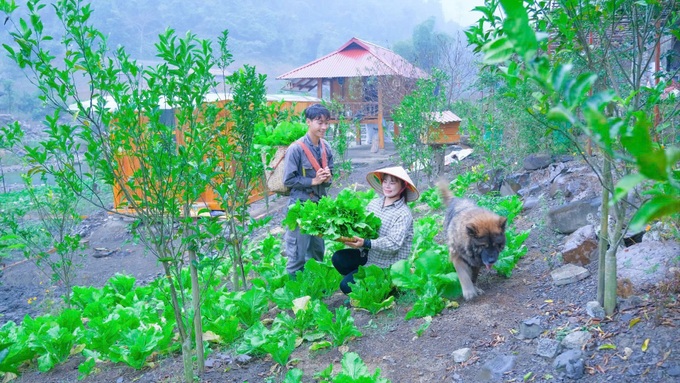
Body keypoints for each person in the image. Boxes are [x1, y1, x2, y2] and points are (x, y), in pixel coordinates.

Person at [331, 166, 419, 294]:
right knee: (338, 258)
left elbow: (393, 244)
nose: (387, 186)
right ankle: (362, 280)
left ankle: (387, 287)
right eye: (385, 181)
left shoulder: (403, 213)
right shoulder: (374, 204)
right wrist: (346, 234)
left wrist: (366, 243)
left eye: (393, 182)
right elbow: (362, 227)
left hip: (386, 264)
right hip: (368, 256)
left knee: (346, 286)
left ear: (403, 186)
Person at [282, 103, 334, 276]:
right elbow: (288, 180)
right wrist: (313, 180)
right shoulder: (296, 148)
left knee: (317, 251)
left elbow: (329, 179)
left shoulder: (326, 147)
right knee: (297, 254)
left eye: (326, 122)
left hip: (320, 206)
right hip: (300, 207)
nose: (324, 127)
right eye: (319, 122)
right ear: (308, 122)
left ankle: (314, 289)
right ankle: (291, 294)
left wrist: (327, 178)